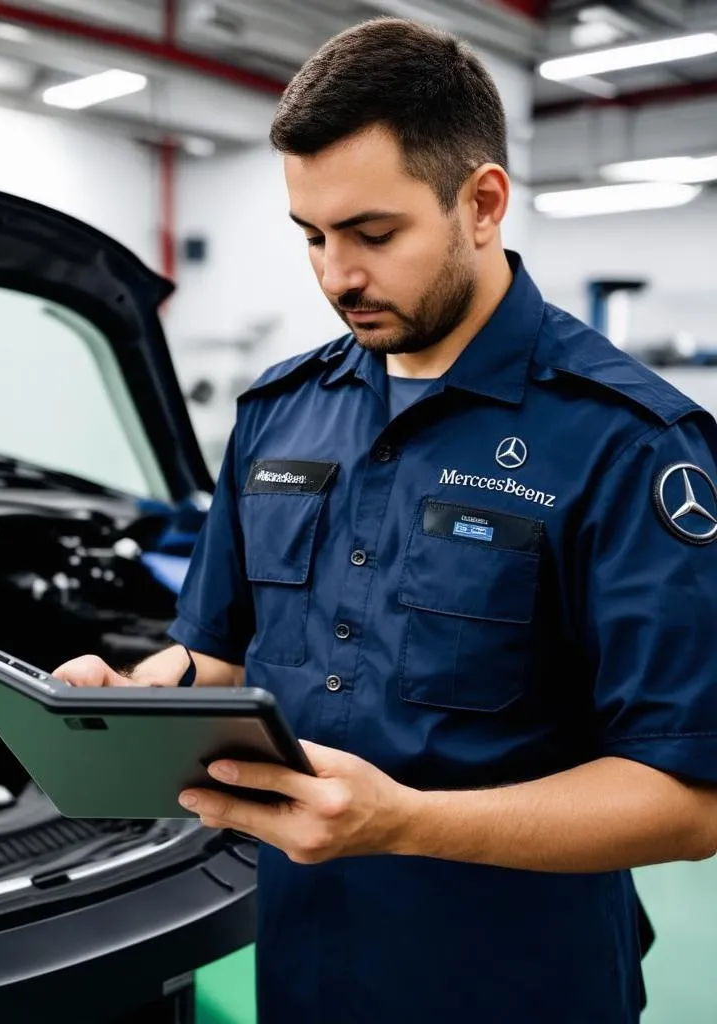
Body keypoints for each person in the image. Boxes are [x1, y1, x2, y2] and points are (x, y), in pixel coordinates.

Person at [54, 16, 717, 1024]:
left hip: (520, 988)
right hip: (308, 963)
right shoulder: (279, 414)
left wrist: (405, 822)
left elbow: (686, 799)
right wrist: (129, 701)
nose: (334, 276)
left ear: (481, 202)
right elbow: (218, 655)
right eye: (311, 237)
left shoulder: (628, 442)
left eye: (372, 234)